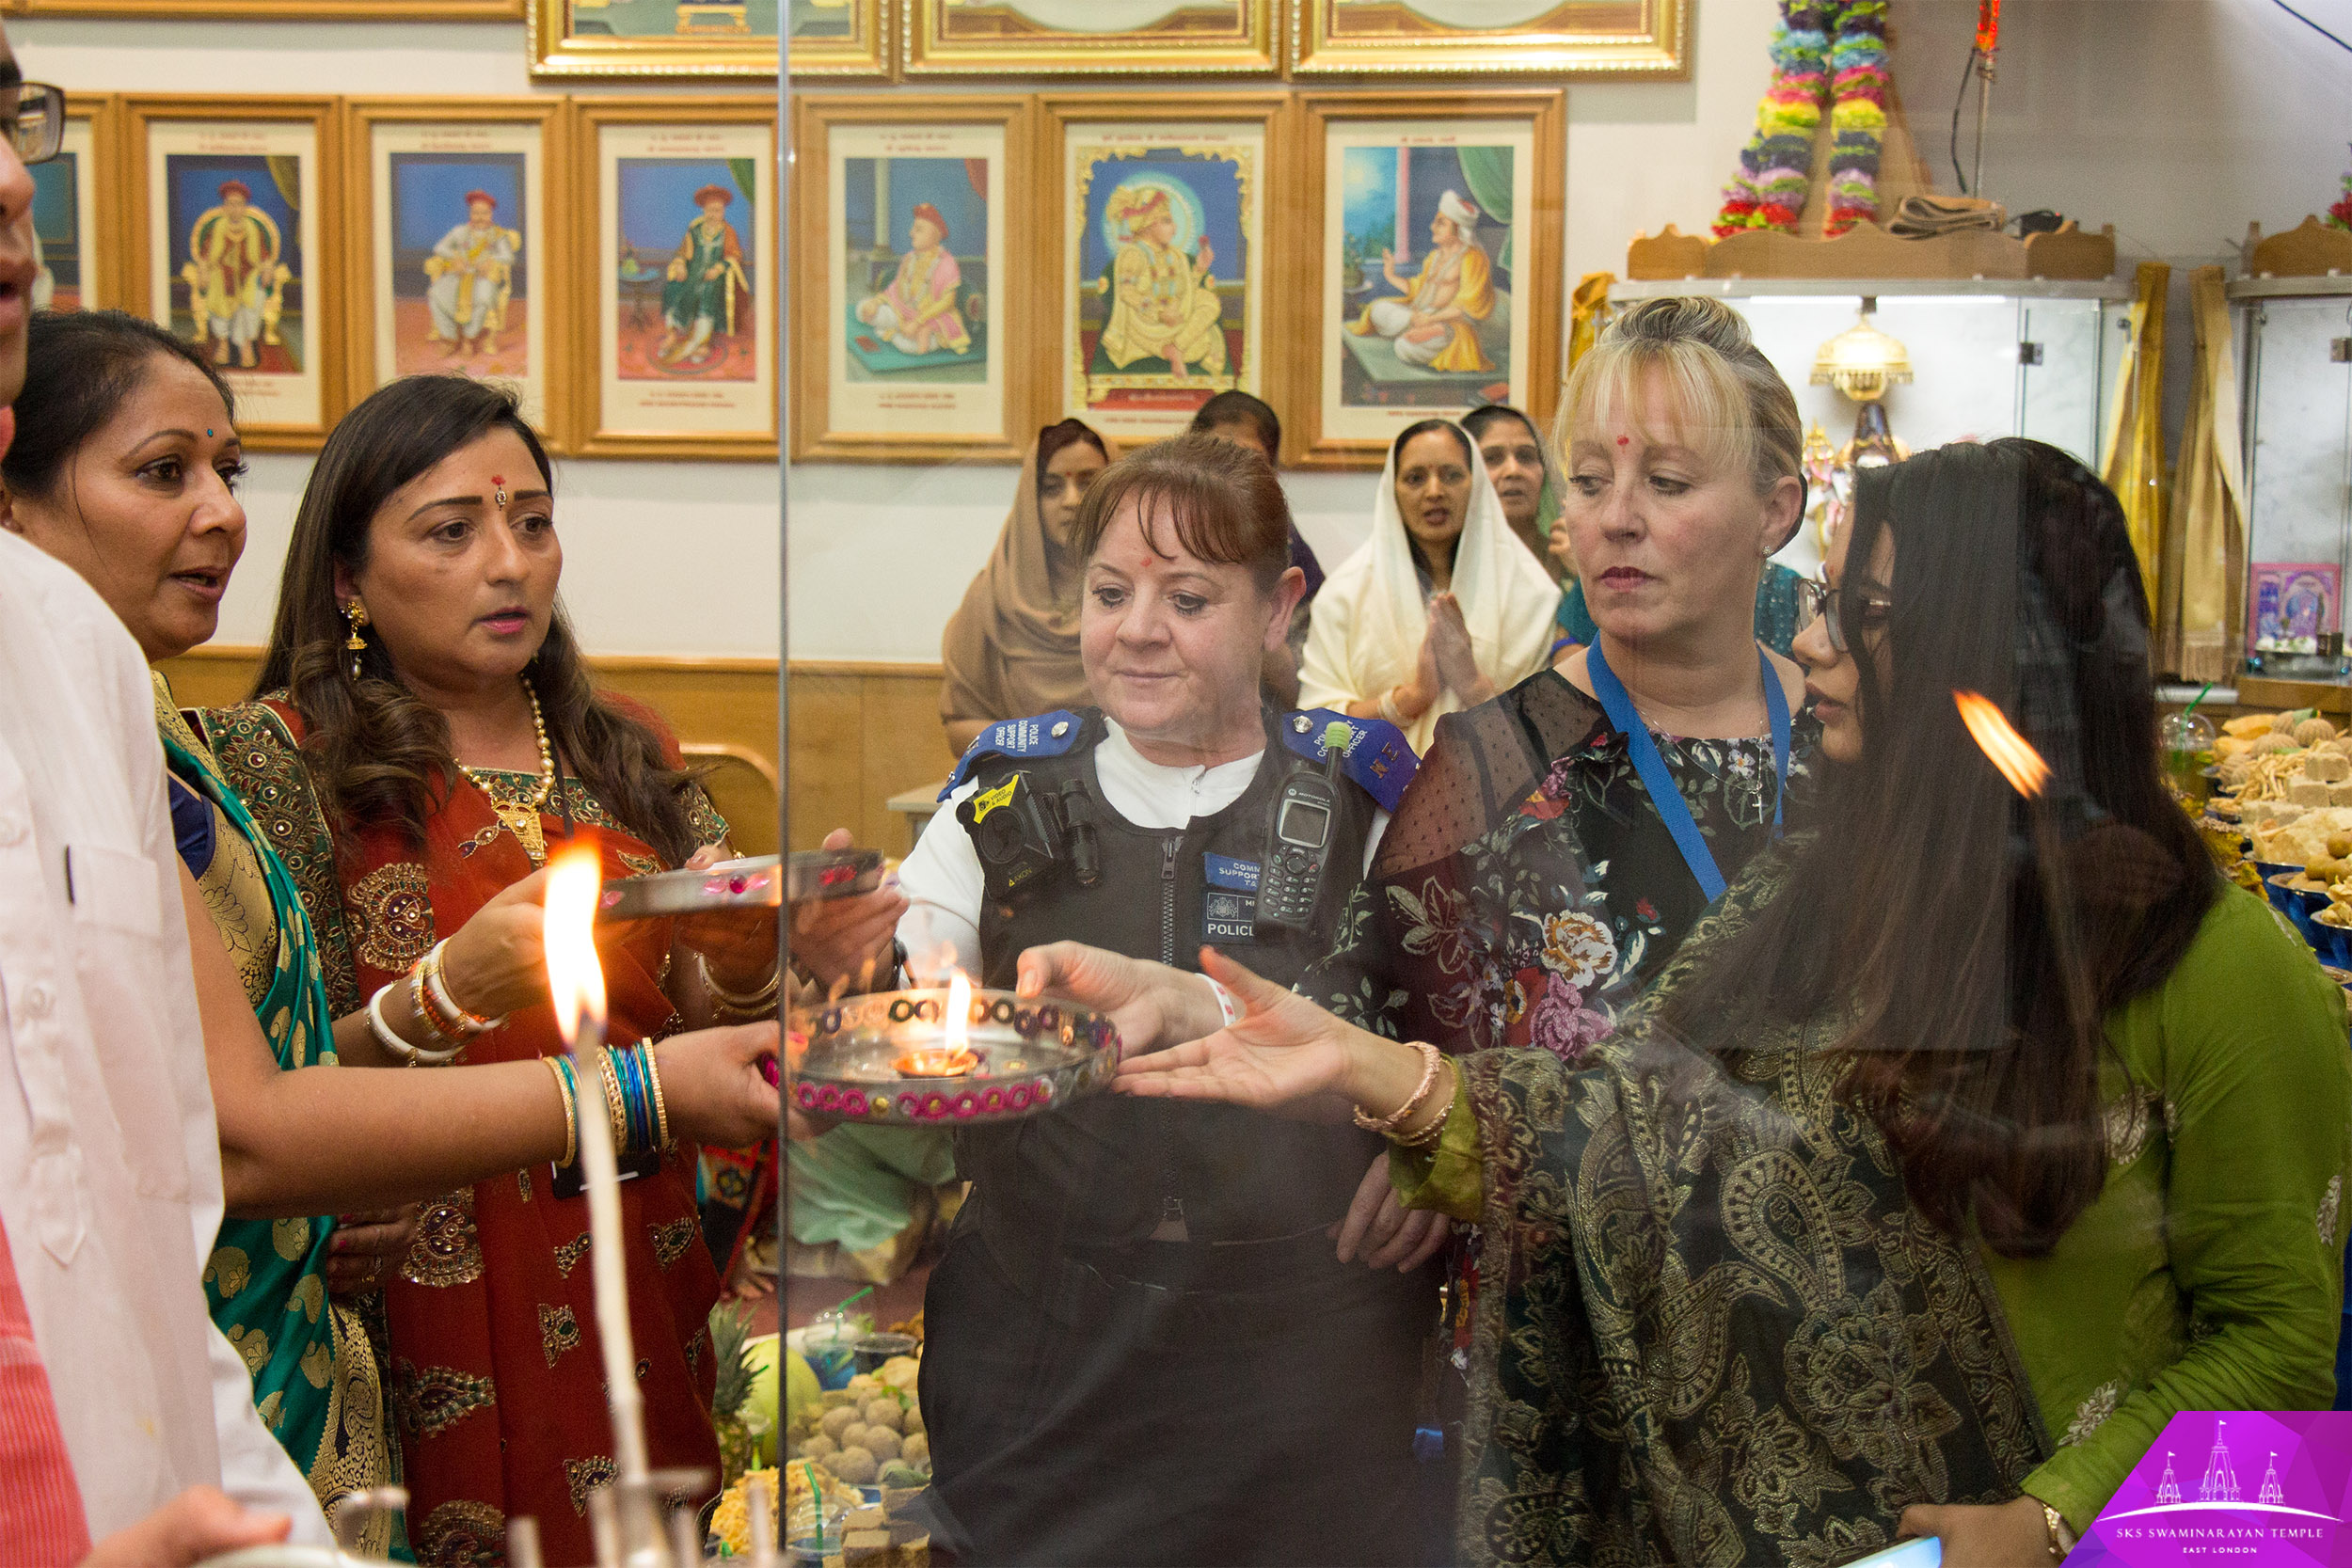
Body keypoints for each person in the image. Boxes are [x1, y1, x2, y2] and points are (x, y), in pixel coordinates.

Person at [1103, 438, 2352, 1566]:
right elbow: (1629, 1119)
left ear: (1986, 652)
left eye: (1860, 611)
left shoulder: (2210, 962)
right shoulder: (1826, 889)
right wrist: (1358, 1061)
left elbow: (2280, 1345)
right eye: (1823, 601)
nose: (1812, 642)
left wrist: (2052, 1518)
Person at [1, 314, 788, 1558]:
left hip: (634, 1273)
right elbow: (261, 1094)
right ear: (348, 579)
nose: (509, 563)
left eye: (533, 523)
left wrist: (748, 966)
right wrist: (447, 1003)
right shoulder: (263, 763)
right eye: (452, 530)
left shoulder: (624, 751)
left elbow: (713, 1023)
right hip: (386, 1311)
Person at [798, 434, 1435, 1567]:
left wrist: (1429, 1155)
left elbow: (1465, 1028)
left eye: (1187, 598)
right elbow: (914, 985)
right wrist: (845, 965)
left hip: (1310, 1343)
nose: (1137, 628)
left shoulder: (1363, 795)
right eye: (1108, 593)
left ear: (1278, 607)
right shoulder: (1001, 794)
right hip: (1043, 1340)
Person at [1298, 418, 1559, 752]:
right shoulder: (1345, 595)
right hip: (1375, 786)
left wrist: (1474, 687)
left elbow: (1551, 736)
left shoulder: (1530, 593)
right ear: (1393, 490)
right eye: (1415, 478)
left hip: (1501, 785)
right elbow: (1312, 728)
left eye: (1451, 475)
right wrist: (1409, 699)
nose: (1434, 491)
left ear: (1476, 483)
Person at [938, 419, 1112, 756]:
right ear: (1030, 500)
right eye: (1051, 488)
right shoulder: (992, 599)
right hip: (1019, 781)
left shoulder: (1141, 597)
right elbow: (959, 730)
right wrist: (1044, 741)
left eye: (1088, 484)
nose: (1071, 500)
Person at [1187, 389, 1321, 708]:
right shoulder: (1162, 537)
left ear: (1272, 473)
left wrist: (1260, 617)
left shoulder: (1290, 553)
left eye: (1249, 460)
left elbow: (1305, 692)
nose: (1229, 473)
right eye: (1214, 457)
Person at [1349, 190, 1494, 373]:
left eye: (1441, 223)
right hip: (1417, 314)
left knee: (1404, 348)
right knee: (1378, 309)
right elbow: (1417, 289)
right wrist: (1390, 275)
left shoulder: (1473, 258)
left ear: (1459, 229)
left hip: (1448, 323)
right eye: (1435, 222)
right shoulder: (1434, 256)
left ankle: (1429, 331)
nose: (1433, 227)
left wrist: (1431, 321)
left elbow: (1467, 307)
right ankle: (1412, 324)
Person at [1096, 183, 1224, 383]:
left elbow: (1186, 293)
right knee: (1201, 345)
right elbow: (1127, 293)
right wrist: (1159, 313)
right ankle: (1177, 346)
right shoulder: (1134, 254)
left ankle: (1176, 347)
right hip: (1147, 326)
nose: (1175, 229)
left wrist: (1199, 269)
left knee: (1209, 302)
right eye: (1167, 221)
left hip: (1175, 318)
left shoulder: (1175, 256)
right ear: (1147, 224)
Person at [182, 180, 285, 371]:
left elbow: (265, 258)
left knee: (254, 295)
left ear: (244, 207)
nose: (234, 209)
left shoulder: (254, 230)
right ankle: (223, 344)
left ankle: (246, 345)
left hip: (249, 277)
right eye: (230, 204)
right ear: (224, 207)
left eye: (238, 204)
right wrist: (203, 272)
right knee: (216, 289)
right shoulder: (216, 229)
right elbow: (205, 258)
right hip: (221, 277)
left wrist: (267, 270)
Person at [1459, 402, 1567, 585]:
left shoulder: (1568, 560)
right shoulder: (1446, 566)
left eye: (1526, 456)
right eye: (1492, 458)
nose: (1513, 470)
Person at [854, 201, 969, 358]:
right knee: (862, 309)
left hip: (932, 318)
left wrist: (918, 322)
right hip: (903, 311)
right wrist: (876, 302)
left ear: (935, 235)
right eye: (913, 229)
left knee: (909, 346)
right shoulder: (909, 258)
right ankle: (899, 331)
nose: (911, 233)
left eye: (918, 229)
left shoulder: (946, 263)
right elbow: (896, 287)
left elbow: (947, 302)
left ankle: (897, 332)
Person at [657, 183, 745, 367]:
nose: (713, 215)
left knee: (707, 291)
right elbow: (682, 252)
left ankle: (703, 342)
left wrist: (718, 269)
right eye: (710, 210)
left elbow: (735, 256)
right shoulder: (695, 230)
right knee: (673, 287)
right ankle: (672, 334)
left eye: (717, 211)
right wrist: (681, 265)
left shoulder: (728, 232)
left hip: (714, 275)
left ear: (723, 211)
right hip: (692, 272)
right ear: (704, 210)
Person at [424, 190, 518, 359]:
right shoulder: (460, 231)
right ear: (470, 213)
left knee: (483, 299)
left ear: (491, 214)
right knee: (436, 294)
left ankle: (469, 338)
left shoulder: (498, 235)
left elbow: (508, 257)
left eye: (485, 213)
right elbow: (440, 248)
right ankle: (450, 337)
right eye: (476, 213)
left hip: (484, 277)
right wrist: (456, 258)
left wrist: (491, 259)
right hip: (461, 275)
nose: (480, 218)